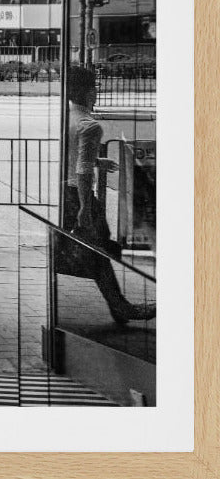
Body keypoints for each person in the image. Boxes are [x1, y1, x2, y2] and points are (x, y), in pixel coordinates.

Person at [57, 65, 155, 325]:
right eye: (95, 87)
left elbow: (72, 157)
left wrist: (97, 161)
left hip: (66, 192)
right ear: (89, 92)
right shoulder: (89, 125)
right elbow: (82, 168)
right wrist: (85, 207)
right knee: (97, 250)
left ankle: (119, 305)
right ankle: (120, 306)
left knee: (96, 249)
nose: (96, 92)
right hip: (79, 195)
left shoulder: (67, 118)